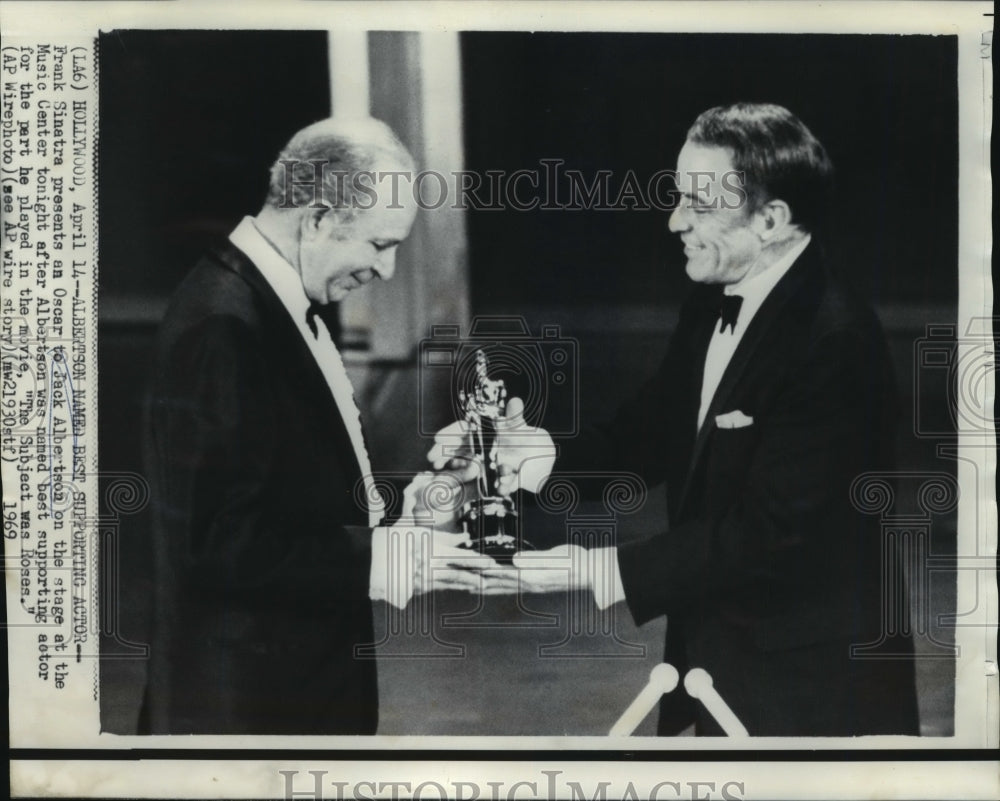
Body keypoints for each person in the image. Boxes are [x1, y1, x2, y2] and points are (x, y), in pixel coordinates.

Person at [432, 103, 920, 737]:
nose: (675, 221)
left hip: (813, 688)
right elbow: (649, 433)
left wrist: (583, 570)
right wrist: (521, 454)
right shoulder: (713, 298)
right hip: (722, 660)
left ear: (771, 220)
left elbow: (770, 536)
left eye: (700, 204)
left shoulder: (835, 341)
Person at [141, 117, 488, 735]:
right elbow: (216, 547)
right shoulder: (222, 326)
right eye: (381, 244)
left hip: (290, 700)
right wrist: (383, 561)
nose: (385, 270)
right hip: (244, 722)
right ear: (319, 219)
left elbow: (289, 502)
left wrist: (416, 508)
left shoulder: (269, 303)